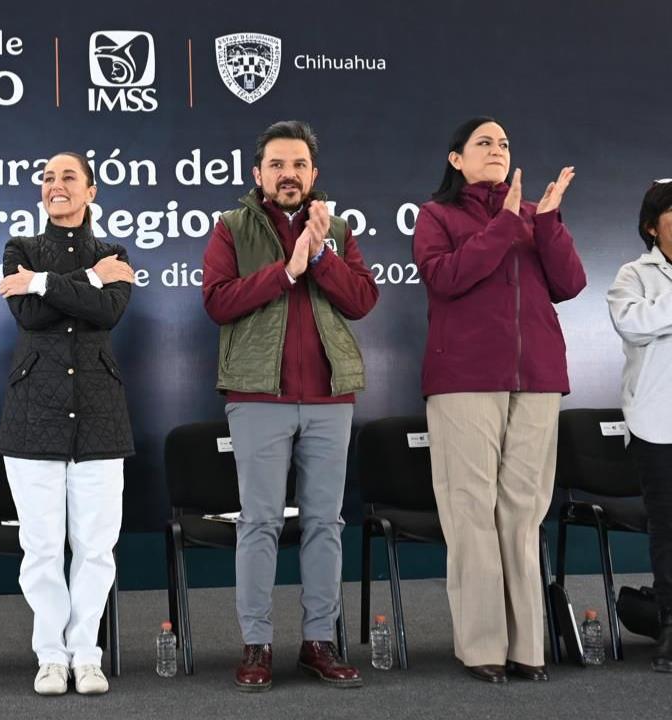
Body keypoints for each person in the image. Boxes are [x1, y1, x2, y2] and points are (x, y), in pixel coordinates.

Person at [201, 120, 377, 692]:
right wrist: (288, 271)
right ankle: (257, 644)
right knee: (260, 523)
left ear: (313, 174)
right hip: (258, 397)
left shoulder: (339, 229)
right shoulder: (231, 228)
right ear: (258, 174)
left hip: (330, 398)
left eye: (298, 165)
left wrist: (321, 255)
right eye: (277, 165)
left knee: (326, 522)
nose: (288, 174)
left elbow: (361, 301)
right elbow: (218, 302)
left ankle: (318, 643)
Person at [413, 116, 585, 683]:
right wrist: (506, 223)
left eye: (505, 143)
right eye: (483, 142)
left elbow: (569, 284)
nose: (497, 149)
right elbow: (448, 277)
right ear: (456, 159)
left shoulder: (535, 215)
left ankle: (527, 646)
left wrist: (549, 220)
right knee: (472, 510)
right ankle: (483, 645)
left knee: (522, 511)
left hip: (536, 377)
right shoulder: (437, 216)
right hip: (464, 378)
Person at [0, 151, 135, 696]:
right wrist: (86, 280)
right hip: (33, 415)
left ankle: (86, 653)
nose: (56, 184)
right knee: (44, 548)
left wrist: (45, 284)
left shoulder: (114, 252)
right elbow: (28, 316)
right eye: (47, 176)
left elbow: (108, 313)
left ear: (91, 191)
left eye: (68, 177)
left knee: (97, 549)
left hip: (100, 415)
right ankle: (50, 655)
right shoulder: (19, 249)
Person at [606, 178, 672, 673]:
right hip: (657, 422)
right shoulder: (633, 274)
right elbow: (632, 323)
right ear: (652, 227)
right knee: (668, 529)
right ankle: (670, 622)